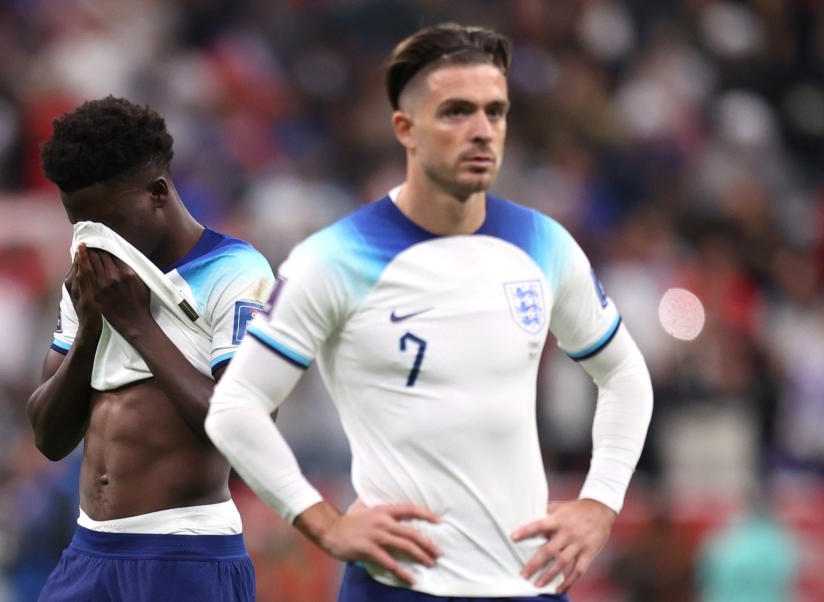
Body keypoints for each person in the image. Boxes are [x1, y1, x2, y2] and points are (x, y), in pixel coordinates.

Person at [205, 23, 653, 601]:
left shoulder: (544, 244)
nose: (482, 132)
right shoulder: (333, 259)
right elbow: (236, 407)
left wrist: (600, 503)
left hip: (531, 585)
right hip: (399, 587)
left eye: (496, 112)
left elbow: (624, 374)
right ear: (405, 128)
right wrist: (327, 524)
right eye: (456, 112)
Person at [26, 96, 272, 601]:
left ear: (157, 193)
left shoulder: (238, 273)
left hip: (184, 557)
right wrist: (94, 326)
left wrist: (136, 324)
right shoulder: (92, 279)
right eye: (80, 224)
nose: (94, 241)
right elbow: (49, 438)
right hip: (89, 552)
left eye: (108, 223)